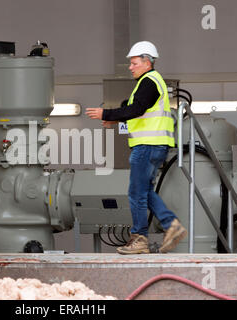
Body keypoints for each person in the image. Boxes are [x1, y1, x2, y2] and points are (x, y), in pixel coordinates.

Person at [85, 41, 187, 254]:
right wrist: (115, 120)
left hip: (147, 146)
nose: (130, 67)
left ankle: (140, 239)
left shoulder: (149, 82)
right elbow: (137, 112)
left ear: (147, 62)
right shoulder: (150, 82)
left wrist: (106, 114)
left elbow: (137, 109)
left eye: (134, 63)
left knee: (136, 194)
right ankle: (171, 225)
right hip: (154, 145)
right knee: (145, 190)